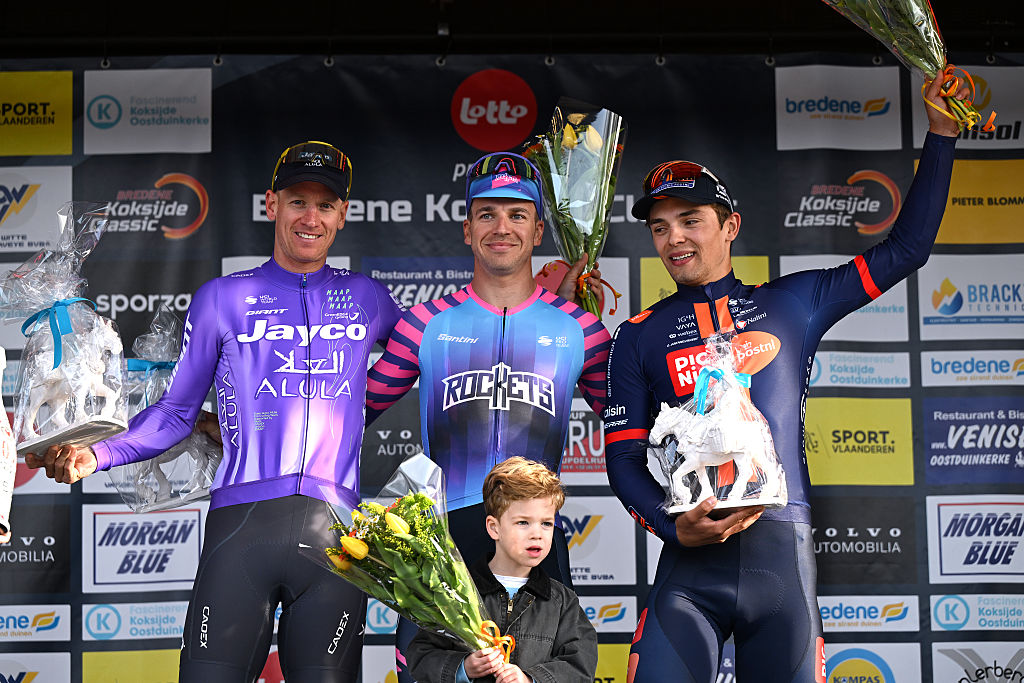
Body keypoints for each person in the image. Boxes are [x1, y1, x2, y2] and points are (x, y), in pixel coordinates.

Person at [602, 74, 967, 683]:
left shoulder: (795, 302)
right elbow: (621, 461)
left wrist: (942, 134)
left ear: (729, 226)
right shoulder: (636, 335)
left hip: (782, 562)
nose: (674, 239)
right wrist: (673, 527)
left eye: (689, 220)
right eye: (660, 228)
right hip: (689, 570)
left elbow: (907, 249)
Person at [25, 141, 403, 683]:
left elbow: (437, 349)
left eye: (325, 204)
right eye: (298, 200)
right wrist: (96, 453)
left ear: (343, 215)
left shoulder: (367, 297)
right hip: (241, 531)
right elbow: (176, 413)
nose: (310, 217)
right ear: (271, 204)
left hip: (339, 538)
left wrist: (538, 292)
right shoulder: (223, 297)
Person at [365, 151, 610, 681]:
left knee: (540, 674)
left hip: (533, 534)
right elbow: (350, 411)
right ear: (467, 228)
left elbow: (633, 425)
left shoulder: (581, 328)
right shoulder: (423, 324)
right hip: (445, 533)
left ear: (539, 228)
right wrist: (238, 422)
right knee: (430, 674)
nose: (502, 227)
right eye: (487, 214)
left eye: (517, 214)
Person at [407, 456, 598, 683]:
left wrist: (530, 679)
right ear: (494, 528)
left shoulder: (563, 602)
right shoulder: (455, 593)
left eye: (546, 523)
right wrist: (463, 668)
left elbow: (580, 666)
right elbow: (421, 656)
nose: (537, 533)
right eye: (523, 522)